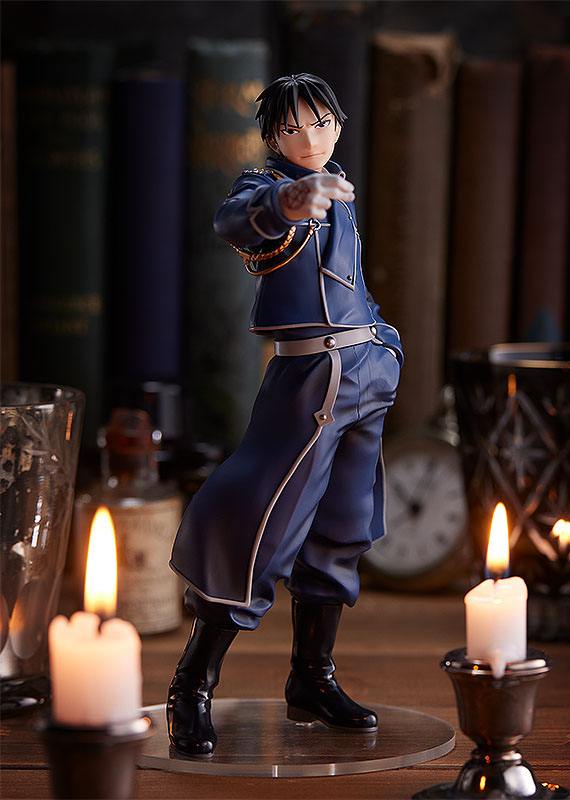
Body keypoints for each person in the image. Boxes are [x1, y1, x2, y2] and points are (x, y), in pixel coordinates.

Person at [167, 73, 403, 757]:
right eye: (293, 128)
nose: (310, 138)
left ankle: (312, 677)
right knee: (260, 521)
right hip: (309, 376)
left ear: (339, 124)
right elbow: (239, 220)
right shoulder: (267, 187)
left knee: (343, 527)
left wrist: (384, 346)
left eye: (321, 123)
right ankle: (193, 683)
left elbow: (349, 283)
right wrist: (290, 201)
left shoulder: (340, 187)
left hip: (366, 368)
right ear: (272, 135)